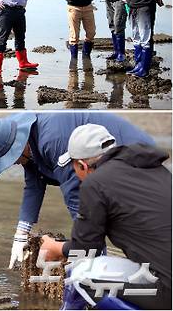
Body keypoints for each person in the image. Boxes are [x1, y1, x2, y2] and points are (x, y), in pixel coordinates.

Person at [0, 112, 155, 270]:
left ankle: (110, 267)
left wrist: (88, 252)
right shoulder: (29, 142)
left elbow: (77, 196)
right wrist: (21, 233)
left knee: (128, 226)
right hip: (103, 168)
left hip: (130, 156)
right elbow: (34, 184)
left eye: (10, 158)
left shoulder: (52, 140)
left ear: (17, 145)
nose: (13, 163)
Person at [40, 124, 171, 309]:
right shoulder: (155, 170)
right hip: (163, 273)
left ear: (82, 165)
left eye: (73, 167)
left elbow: (85, 249)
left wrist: (54, 247)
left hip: (168, 292)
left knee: (80, 276)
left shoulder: (95, 183)